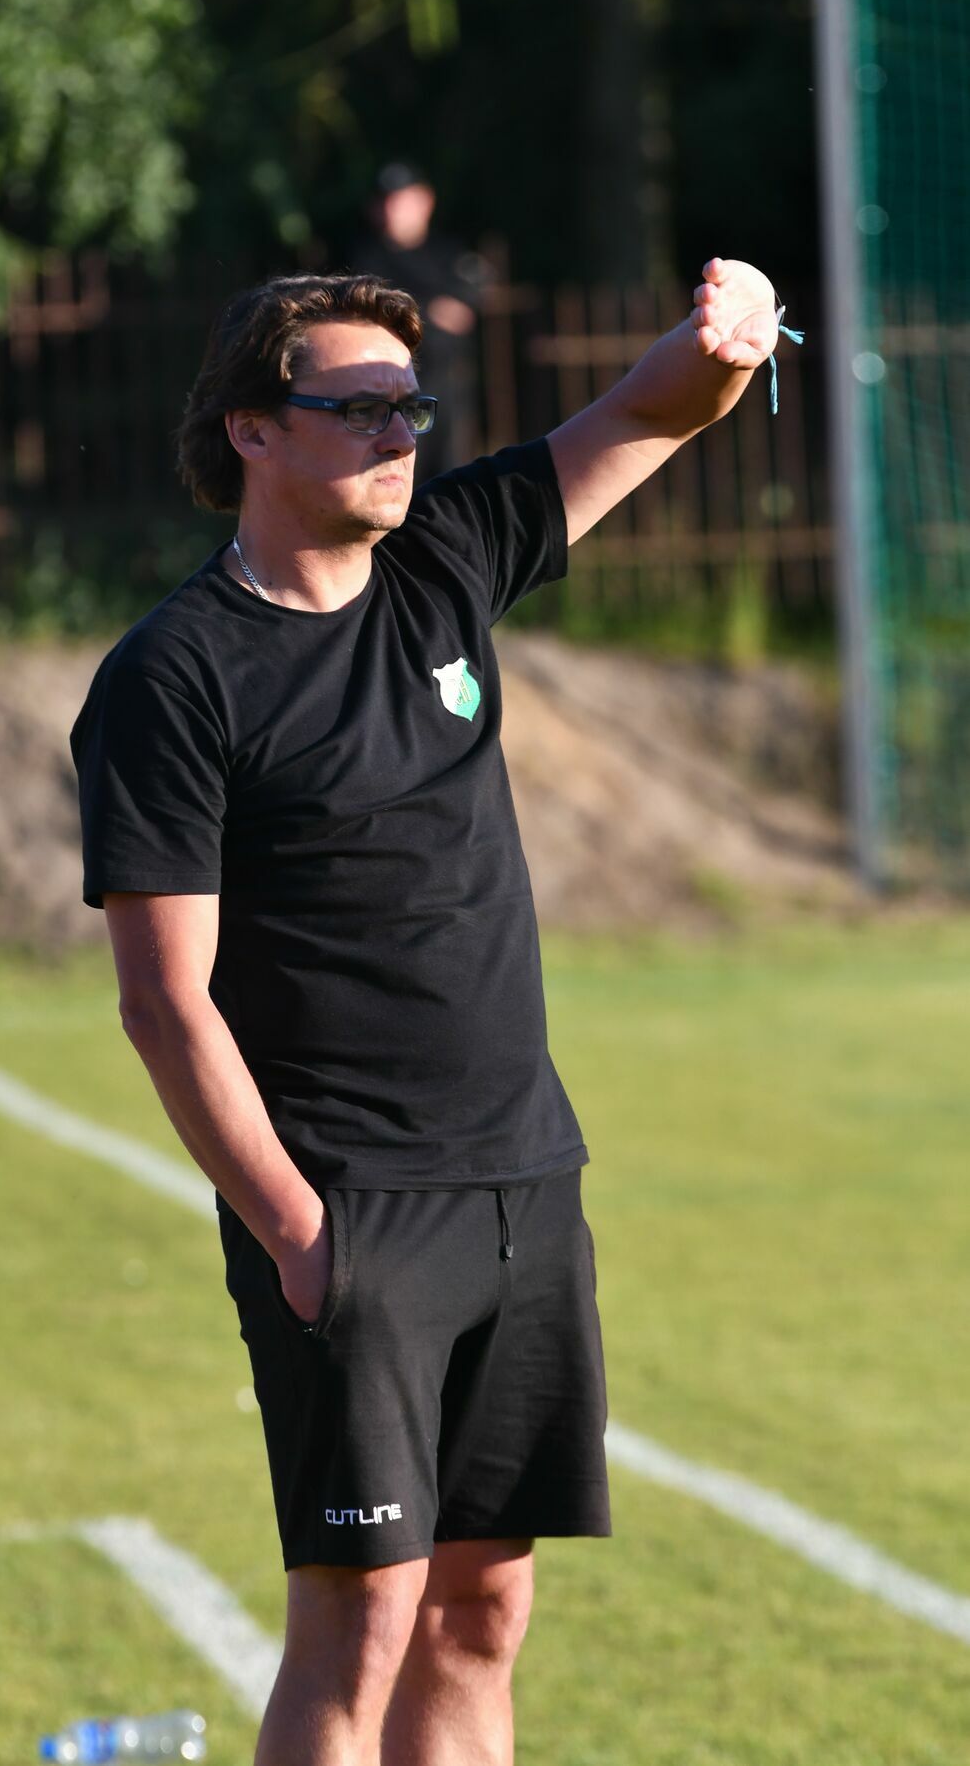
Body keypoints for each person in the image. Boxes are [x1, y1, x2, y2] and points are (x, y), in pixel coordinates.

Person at [71, 258, 781, 1766]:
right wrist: (298, 1234)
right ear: (254, 429)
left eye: (411, 406)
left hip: (524, 1178)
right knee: (359, 1624)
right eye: (360, 408)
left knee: (483, 1611)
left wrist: (732, 338)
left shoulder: (447, 560)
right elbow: (163, 1002)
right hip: (352, 1209)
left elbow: (652, 412)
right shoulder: (173, 677)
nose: (400, 435)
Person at [351, 163, 484, 478]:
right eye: (385, 201)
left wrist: (414, 307)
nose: (392, 210)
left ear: (425, 201)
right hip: (391, 391)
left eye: (400, 200)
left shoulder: (449, 253)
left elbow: (465, 307)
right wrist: (431, 308)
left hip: (448, 383)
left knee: (450, 475)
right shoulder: (363, 259)